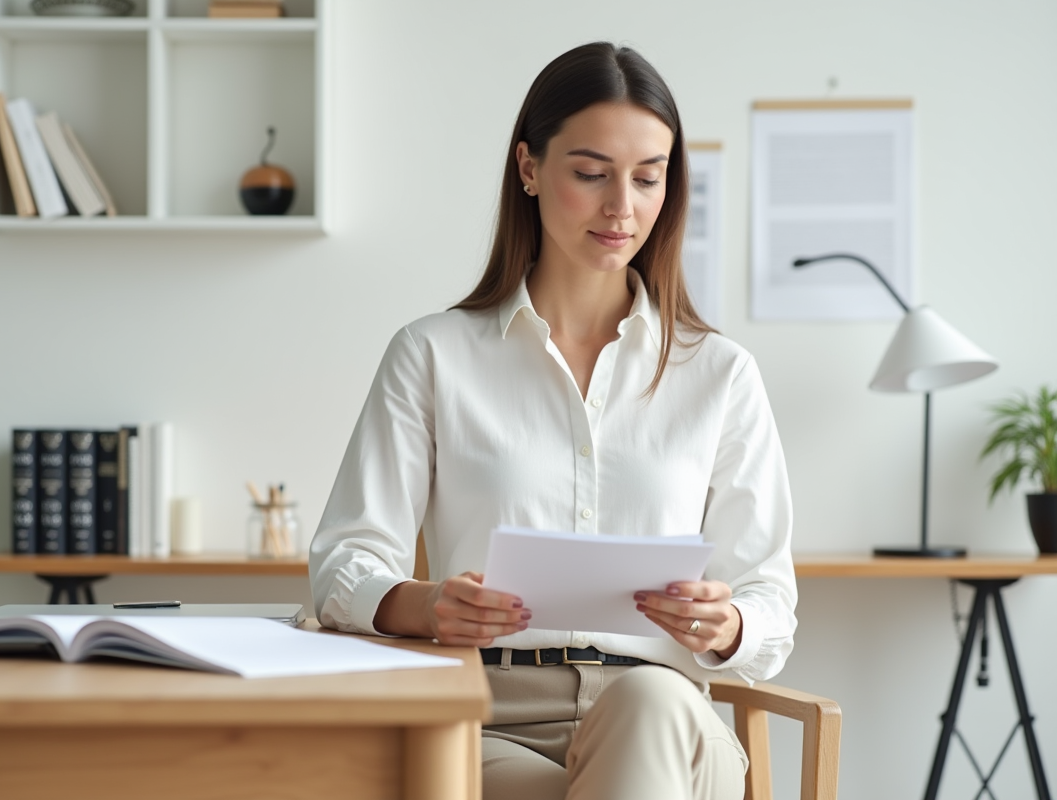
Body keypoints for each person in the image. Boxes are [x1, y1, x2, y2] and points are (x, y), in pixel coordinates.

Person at [309, 41, 796, 800]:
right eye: (592, 173)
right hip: (483, 720)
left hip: (664, 715)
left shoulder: (721, 373)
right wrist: (428, 604)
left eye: (647, 177)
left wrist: (726, 625)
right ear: (530, 169)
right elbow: (344, 565)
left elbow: (769, 603)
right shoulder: (432, 355)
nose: (621, 207)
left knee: (647, 706)